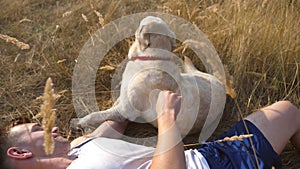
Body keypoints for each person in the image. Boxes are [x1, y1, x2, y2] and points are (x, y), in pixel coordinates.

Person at [0, 91, 299, 169]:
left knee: (285, 111)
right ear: (20, 151)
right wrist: (166, 117)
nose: (50, 128)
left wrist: (135, 94)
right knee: (289, 113)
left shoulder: (79, 146)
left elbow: (118, 119)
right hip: (216, 165)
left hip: (209, 153)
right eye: (38, 129)